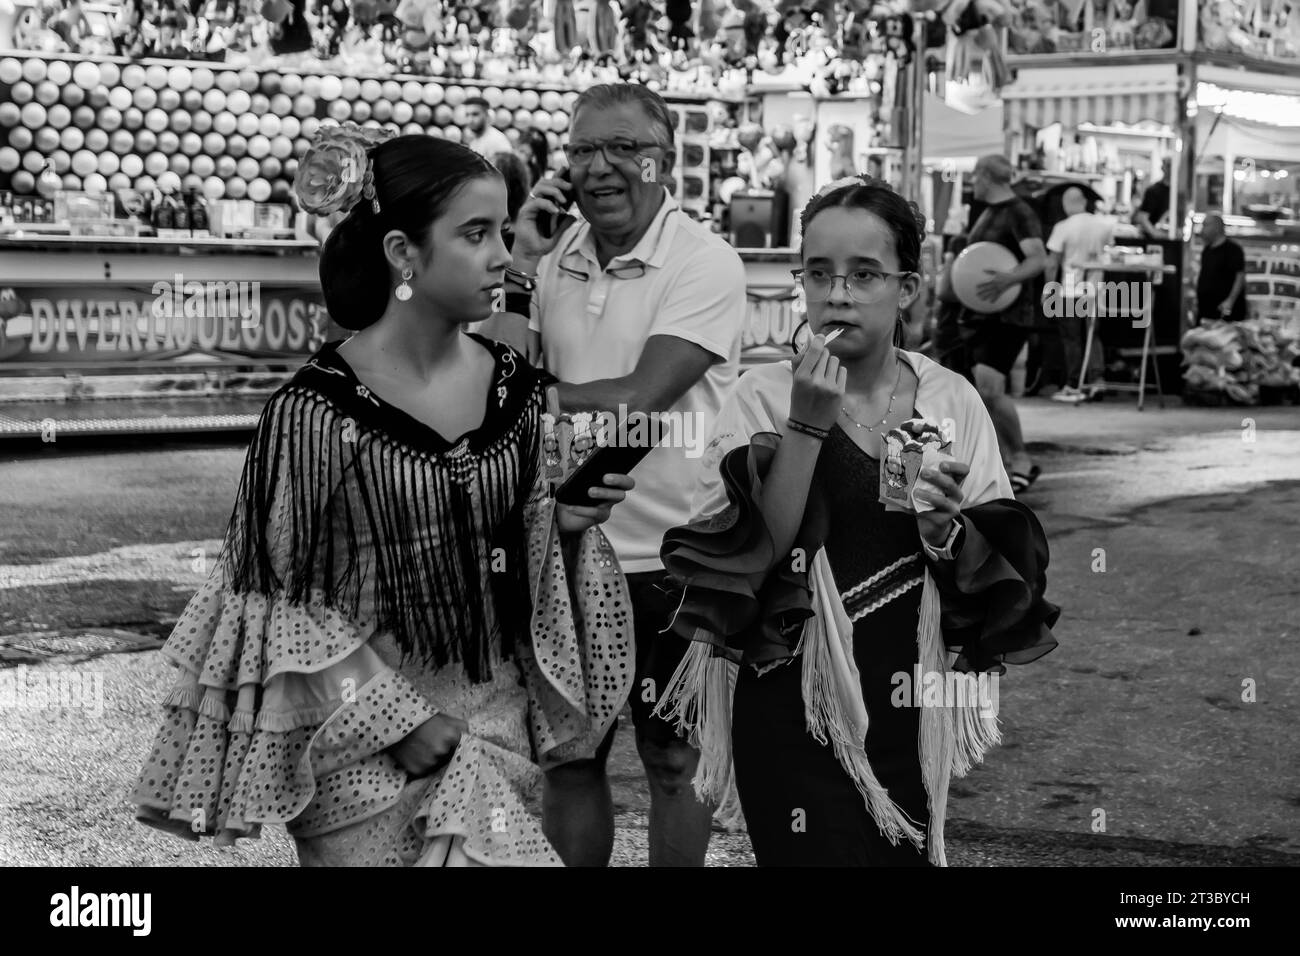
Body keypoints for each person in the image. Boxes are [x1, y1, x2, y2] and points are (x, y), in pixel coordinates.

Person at [130, 129, 637, 866]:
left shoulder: (517, 389)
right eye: (474, 234)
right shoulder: (314, 411)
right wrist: (394, 719)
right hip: (357, 740)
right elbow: (278, 598)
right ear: (403, 253)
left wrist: (555, 526)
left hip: (493, 724)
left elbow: (508, 556)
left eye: (501, 231)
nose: (503, 255)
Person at [654, 175, 1060, 867]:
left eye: (864, 274)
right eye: (819, 273)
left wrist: (947, 537)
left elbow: (1006, 570)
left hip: (906, 687)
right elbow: (745, 558)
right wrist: (807, 427)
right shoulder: (762, 398)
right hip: (788, 691)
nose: (838, 293)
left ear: (907, 287)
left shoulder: (949, 397)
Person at [505, 82, 748, 867]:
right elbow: (503, 360)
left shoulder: (704, 260)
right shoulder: (552, 259)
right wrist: (518, 263)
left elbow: (643, 397)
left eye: (622, 150)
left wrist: (508, 396)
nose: (598, 168)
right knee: (570, 759)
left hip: (676, 557)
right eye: (581, 151)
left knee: (674, 763)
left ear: (662, 160)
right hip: (566, 549)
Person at [962, 153, 1047, 494]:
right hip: (983, 315)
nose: (971, 183)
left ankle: (1020, 460)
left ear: (986, 177)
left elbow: (1039, 258)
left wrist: (1007, 280)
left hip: (1010, 316)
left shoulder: (1019, 212)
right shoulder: (990, 212)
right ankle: (1002, 460)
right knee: (985, 390)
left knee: (991, 389)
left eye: (974, 176)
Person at [1044, 186, 1114, 402]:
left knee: (1071, 338)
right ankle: (1097, 380)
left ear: (1067, 204)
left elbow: (1052, 262)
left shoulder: (1062, 227)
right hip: (1096, 289)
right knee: (1093, 335)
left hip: (1070, 289)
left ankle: (1074, 384)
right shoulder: (1104, 226)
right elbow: (1109, 255)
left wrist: (1048, 290)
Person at [1196, 214, 1248, 324]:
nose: (1202, 230)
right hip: (1207, 311)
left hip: (1226, 314)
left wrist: (1230, 301)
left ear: (1216, 228)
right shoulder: (1207, 250)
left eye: (1205, 225)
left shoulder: (1233, 250)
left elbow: (1240, 277)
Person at [1133, 157, 1172, 240]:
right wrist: (1155, 234)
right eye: (1168, 165)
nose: (1171, 169)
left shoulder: (1177, 192)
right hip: (1153, 240)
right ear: (1163, 168)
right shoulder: (1153, 190)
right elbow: (1142, 217)